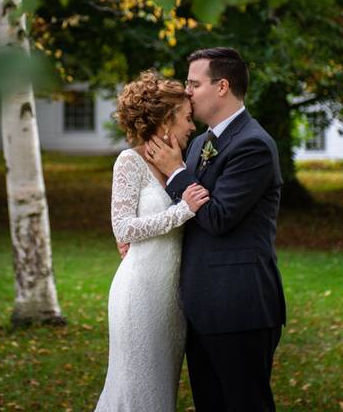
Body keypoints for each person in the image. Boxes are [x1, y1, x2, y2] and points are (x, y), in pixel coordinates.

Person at [146, 47, 286, 411]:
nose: (187, 91)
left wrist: (177, 173)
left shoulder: (253, 145)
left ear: (222, 86)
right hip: (202, 305)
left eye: (194, 83)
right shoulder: (199, 144)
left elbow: (219, 217)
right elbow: (182, 214)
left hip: (239, 306)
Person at [95, 71, 210, 412]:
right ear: (166, 119)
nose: (192, 127)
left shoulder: (184, 164)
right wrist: (182, 212)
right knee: (135, 390)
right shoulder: (129, 162)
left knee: (160, 394)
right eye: (187, 118)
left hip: (172, 300)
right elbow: (123, 228)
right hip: (139, 294)